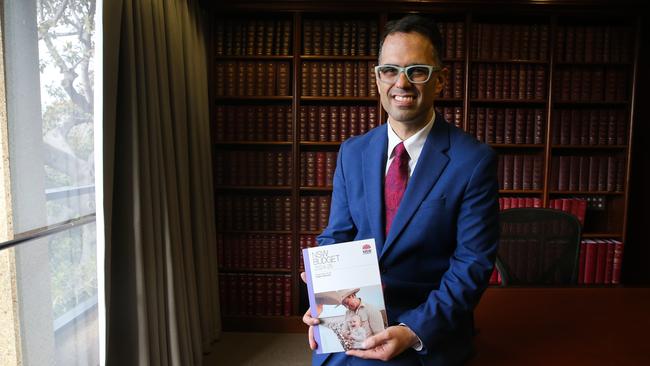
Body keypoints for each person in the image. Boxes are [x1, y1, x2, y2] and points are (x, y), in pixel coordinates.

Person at [302, 14, 499, 366]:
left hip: (428, 325)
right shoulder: (353, 151)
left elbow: (473, 263)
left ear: (440, 81)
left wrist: (412, 330)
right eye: (390, 70)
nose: (402, 84)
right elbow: (337, 236)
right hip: (354, 316)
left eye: (417, 71)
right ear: (378, 79)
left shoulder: (473, 161)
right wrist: (324, 296)